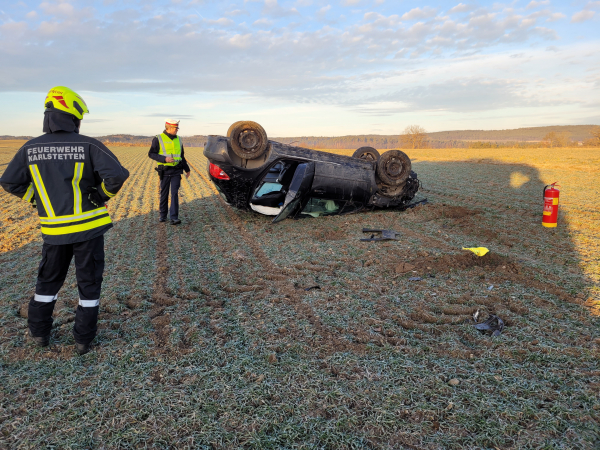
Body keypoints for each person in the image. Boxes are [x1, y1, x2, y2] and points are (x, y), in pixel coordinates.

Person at [0, 86, 129, 355]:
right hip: (89, 230)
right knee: (89, 283)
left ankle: (39, 334)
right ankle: (83, 340)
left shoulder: (30, 148)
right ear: (73, 116)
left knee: (47, 282)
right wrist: (98, 195)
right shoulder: (89, 145)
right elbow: (116, 176)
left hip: (54, 231)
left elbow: (9, 181)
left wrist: (38, 199)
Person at [147, 119, 191, 225]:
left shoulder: (179, 140)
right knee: (164, 193)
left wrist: (187, 169)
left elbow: (182, 156)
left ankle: (174, 217)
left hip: (176, 170)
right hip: (164, 171)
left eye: (177, 128)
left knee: (174, 193)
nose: (177, 130)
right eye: (175, 128)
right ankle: (163, 215)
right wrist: (164, 159)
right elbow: (151, 154)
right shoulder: (158, 138)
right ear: (169, 128)